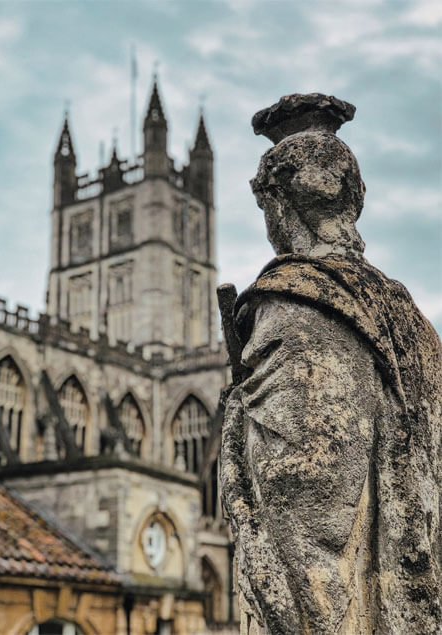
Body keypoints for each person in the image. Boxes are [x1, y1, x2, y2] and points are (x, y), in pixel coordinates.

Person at [220, 94, 442, 633]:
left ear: (278, 203)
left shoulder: (294, 304)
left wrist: (235, 415)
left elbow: (305, 508)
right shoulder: (410, 316)